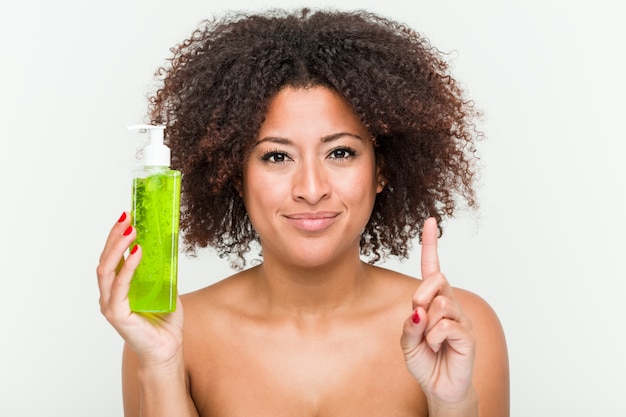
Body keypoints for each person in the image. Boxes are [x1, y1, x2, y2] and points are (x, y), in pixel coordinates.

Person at [97, 7, 509, 417]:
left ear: (381, 170)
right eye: (277, 156)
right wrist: (161, 365)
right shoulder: (169, 332)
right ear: (236, 176)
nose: (311, 190)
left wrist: (452, 404)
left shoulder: (457, 331)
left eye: (341, 152)